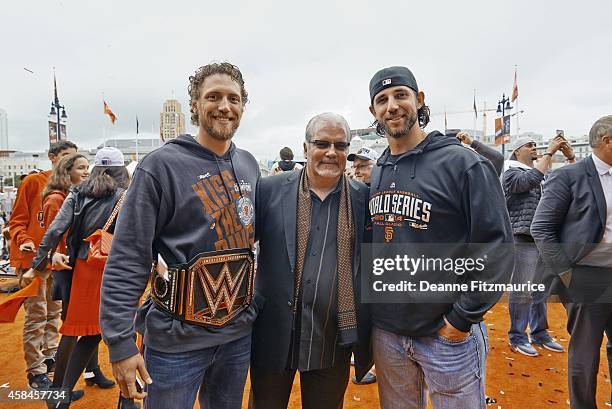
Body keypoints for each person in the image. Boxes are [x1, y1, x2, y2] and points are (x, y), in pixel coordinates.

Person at [100, 62, 263, 409]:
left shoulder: (249, 163)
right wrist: (120, 343)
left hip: (236, 337)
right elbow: (128, 257)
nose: (224, 106)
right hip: (176, 342)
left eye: (233, 98)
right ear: (195, 105)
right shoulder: (159, 166)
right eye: (213, 97)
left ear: (243, 106)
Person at [366, 66, 514, 409]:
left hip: (446, 335)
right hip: (389, 333)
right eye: (382, 99)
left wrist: (461, 320)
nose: (392, 106)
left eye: (400, 95)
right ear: (372, 111)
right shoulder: (379, 169)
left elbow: (496, 247)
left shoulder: (462, 163)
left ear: (419, 100)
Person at [250, 112, 372, 409]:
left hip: (332, 338)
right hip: (275, 333)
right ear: (305, 149)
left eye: (340, 146)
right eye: (322, 143)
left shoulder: (362, 198)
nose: (331, 152)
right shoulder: (268, 191)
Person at [24, 147, 128, 408]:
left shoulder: (78, 193)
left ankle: (62, 393)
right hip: (110, 268)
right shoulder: (124, 195)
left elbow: (55, 230)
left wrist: (38, 264)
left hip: (80, 267)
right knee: (112, 331)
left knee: (79, 330)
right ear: (120, 170)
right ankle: (120, 398)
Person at [531, 115, 612, 409]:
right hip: (586, 276)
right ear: (607, 141)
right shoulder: (569, 176)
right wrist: (567, 275)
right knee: (586, 351)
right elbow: (541, 227)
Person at [41, 153, 117, 393]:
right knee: (75, 327)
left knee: (89, 327)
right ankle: (59, 388)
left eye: (88, 167)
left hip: (76, 263)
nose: (86, 172)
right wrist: (47, 259)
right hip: (69, 266)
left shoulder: (84, 194)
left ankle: (92, 371)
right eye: (81, 167)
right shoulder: (61, 198)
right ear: (66, 170)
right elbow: (54, 235)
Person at [9, 140, 77, 389]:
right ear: (52, 157)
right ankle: (35, 371)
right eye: (66, 157)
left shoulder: (71, 186)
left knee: (54, 313)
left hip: (56, 261)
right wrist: (24, 240)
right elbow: (16, 220)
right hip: (32, 261)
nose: (70, 162)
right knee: (37, 315)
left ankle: (49, 358)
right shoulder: (33, 182)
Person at [503, 136, 573, 357]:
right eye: (529, 146)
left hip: (542, 239)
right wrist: (550, 153)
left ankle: (539, 333)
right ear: (516, 152)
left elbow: (569, 181)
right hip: (522, 238)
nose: (535, 148)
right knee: (522, 290)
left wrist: (571, 157)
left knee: (540, 290)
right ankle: (517, 336)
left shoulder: (541, 173)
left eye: (536, 145)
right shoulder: (511, 172)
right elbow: (528, 181)